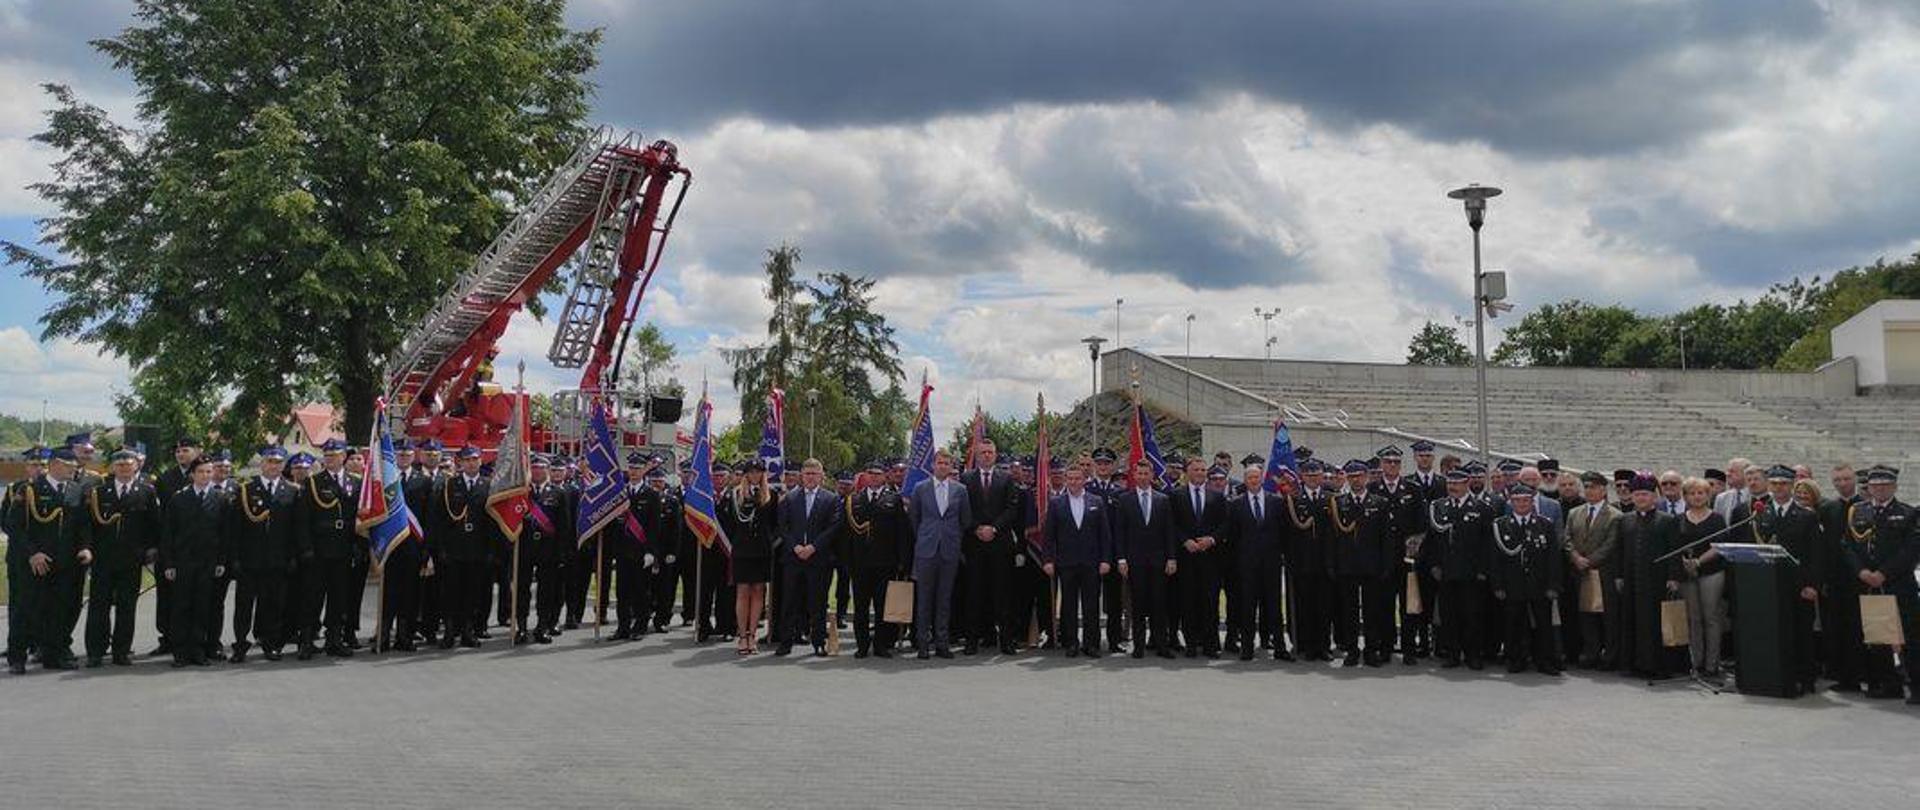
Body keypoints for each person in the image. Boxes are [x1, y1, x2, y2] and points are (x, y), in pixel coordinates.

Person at [5, 448, 89, 672]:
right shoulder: (29, 490)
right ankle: (17, 657)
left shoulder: (76, 491)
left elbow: (83, 525)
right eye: (69, 466)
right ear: (54, 465)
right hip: (36, 562)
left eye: (75, 467)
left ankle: (53, 654)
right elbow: (15, 526)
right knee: (27, 609)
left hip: (65, 562)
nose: (73, 470)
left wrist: (85, 547)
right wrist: (32, 553)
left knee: (60, 610)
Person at [1841, 465, 1919, 702]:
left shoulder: (1908, 513)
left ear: (1894, 487)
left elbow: (1911, 550)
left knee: (1909, 637)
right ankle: (1889, 684)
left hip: (1898, 583)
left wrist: (1884, 573)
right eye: (1875, 485)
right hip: (1869, 583)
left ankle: (1916, 686)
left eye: (1885, 485)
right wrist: (1862, 571)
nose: (1880, 489)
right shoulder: (1858, 511)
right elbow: (1848, 545)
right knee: (1879, 637)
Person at [79, 449, 159, 667]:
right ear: (113, 468)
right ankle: (95, 652)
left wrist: (151, 549)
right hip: (103, 558)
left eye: (128, 464)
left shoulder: (146, 491)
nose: (124, 468)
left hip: (131, 559)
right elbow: (88, 525)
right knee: (99, 606)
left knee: (126, 607)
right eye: (120, 465)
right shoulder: (98, 492)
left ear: (136, 466)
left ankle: (121, 651)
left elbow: (154, 524)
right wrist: (86, 548)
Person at [1747, 466, 1821, 693]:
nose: (1778, 488)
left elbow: (1816, 554)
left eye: (1783, 484)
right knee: (1776, 631)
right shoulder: (1762, 513)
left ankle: (1805, 678)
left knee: (1801, 632)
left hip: (1798, 584)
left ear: (1792, 486)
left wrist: (1812, 585)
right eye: (1774, 483)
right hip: (1770, 584)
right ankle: (1779, 675)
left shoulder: (1807, 515)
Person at [160, 455, 227, 668]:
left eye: (209, 471)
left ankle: (198, 650)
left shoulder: (220, 499)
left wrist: (221, 561)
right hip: (183, 562)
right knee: (181, 607)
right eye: (201, 472)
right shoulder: (179, 499)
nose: (205, 475)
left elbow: (224, 534)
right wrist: (169, 563)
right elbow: (168, 534)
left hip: (208, 562)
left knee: (202, 607)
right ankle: (180, 652)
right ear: (192, 474)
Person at [1041, 466, 1114, 658]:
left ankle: (1091, 644)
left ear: (1084, 480)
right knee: (1069, 605)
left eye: (1077, 478)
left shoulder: (1096, 501)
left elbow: (1104, 534)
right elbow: (1049, 536)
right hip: (1066, 562)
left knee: (1091, 605)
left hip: (1091, 562)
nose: (1074, 482)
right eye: (1070, 478)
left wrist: (1106, 560)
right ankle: (1071, 643)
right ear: (1066, 480)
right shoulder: (1056, 503)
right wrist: (1048, 560)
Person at [1490, 484, 1563, 675]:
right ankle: (1515, 659)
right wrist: (1497, 585)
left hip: (1539, 584)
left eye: (1525, 500)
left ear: (1532, 502)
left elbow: (1553, 558)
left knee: (1543, 624)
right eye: (1517, 501)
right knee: (1513, 623)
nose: (1521, 504)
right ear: (1511, 503)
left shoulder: (1545, 524)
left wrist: (1553, 585)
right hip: (1512, 584)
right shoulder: (1500, 525)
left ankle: (1545, 660)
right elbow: (1495, 559)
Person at [1425, 467, 1494, 669]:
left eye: (1456, 483)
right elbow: (1432, 541)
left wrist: (1483, 570)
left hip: (1471, 573)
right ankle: (1452, 653)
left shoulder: (1481, 508)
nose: (1452, 487)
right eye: (1449, 483)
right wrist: (1434, 565)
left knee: (1472, 615)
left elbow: (1487, 543)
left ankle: (1473, 654)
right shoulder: (1439, 507)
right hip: (1446, 571)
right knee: (1449, 615)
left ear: (1466, 484)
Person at [296, 439, 360, 658]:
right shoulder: (313, 482)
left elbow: (359, 517)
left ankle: (334, 639)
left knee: (339, 597)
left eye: (334, 455)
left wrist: (358, 546)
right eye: (327, 455)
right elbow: (303, 520)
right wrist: (306, 548)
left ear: (343, 457)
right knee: (312, 597)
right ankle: (306, 640)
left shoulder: (355, 482)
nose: (330, 458)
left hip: (343, 548)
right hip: (319, 548)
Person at [1329, 460, 1395, 667]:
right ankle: (1351, 650)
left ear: (1366, 477)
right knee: (1349, 611)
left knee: (1372, 610)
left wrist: (1387, 564)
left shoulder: (1380, 502)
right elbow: (1333, 538)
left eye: (1359, 476)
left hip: (1371, 566)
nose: (1355, 480)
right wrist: (1333, 564)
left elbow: (1386, 537)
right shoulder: (1339, 502)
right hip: (1347, 565)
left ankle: (1371, 650)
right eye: (1351, 476)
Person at [961, 438, 1021, 656]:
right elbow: (963, 509)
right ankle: (972, 640)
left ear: (995, 455)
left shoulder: (1007, 479)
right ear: (977, 455)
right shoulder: (966, 479)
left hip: (1000, 545)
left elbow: (1012, 509)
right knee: (974, 594)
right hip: (974, 544)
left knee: (1002, 594)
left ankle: (1006, 640)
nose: (986, 455)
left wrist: (993, 528)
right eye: (983, 452)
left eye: (990, 452)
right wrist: (976, 528)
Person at [1616, 474, 1680, 679]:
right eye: (1637, 494)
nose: (1641, 498)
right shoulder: (1625, 520)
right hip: (1632, 579)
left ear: (1654, 497)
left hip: (1657, 580)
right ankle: (1633, 664)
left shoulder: (1667, 520)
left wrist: (1673, 577)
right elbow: (1619, 550)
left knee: (1655, 623)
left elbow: (1674, 551)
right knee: (1631, 620)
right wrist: (1619, 576)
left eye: (1645, 494)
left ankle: (1657, 666)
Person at [846, 460, 910, 658]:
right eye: (871, 473)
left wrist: (903, 560)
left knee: (883, 605)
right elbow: (846, 535)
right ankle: (862, 645)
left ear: (885, 476)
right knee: (861, 607)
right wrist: (847, 560)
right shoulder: (854, 499)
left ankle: (881, 644)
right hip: (860, 563)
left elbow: (902, 532)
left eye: (878, 473)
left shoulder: (894, 499)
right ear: (866, 475)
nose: (874, 477)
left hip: (885, 562)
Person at [909, 450, 970, 659]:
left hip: (949, 550)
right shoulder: (920, 488)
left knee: (944, 599)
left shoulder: (960, 490)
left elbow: (965, 520)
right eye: (940, 463)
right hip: (926, 550)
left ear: (951, 467)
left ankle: (942, 643)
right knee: (924, 598)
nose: (943, 466)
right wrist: (926, 537)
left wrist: (952, 538)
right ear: (933, 465)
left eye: (946, 463)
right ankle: (923, 644)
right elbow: (914, 518)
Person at [1372, 445, 1429, 665]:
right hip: (1382, 560)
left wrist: (1414, 550)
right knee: (1384, 606)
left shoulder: (1413, 489)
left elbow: (1422, 524)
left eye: (1396, 462)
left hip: (1407, 560)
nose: (1392, 465)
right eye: (1388, 462)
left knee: (1409, 606)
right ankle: (1386, 647)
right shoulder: (1373, 488)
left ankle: (1409, 649)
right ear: (1381, 464)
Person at [776, 458, 839, 656]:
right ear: (801, 476)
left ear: (821, 476)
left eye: (814, 474)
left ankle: (818, 642)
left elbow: (833, 528)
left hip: (818, 559)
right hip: (793, 558)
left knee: (817, 603)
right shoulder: (789, 498)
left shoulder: (831, 499)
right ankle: (786, 641)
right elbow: (783, 526)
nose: (810, 477)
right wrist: (795, 547)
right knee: (789, 602)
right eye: (807, 474)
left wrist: (813, 547)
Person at [1223, 465, 1286, 661]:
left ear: (1262, 479)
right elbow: (1232, 537)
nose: (1253, 480)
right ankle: (1247, 648)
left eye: (1256, 477)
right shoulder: (1236, 504)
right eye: (1250, 477)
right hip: (1247, 565)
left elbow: (1283, 532)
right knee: (1247, 607)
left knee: (1274, 607)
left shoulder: (1276, 502)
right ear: (1245, 480)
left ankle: (1280, 648)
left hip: (1271, 563)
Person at [432, 447, 491, 648]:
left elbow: (492, 522)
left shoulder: (488, 485)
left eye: (474, 459)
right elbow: (439, 518)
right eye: (467, 460)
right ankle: (450, 632)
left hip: (478, 549)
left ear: (481, 461)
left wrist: (491, 550)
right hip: (454, 549)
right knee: (450, 593)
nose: (471, 463)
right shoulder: (450, 485)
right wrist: (441, 548)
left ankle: (468, 631)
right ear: (460, 462)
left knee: (472, 593)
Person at [1564, 471, 1623, 670]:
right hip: (1580, 573)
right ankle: (1591, 653)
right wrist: (1576, 558)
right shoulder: (1574, 513)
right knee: (1585, 615)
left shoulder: (1615, 515)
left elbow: (1610, 544)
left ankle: (1610, 656)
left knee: (1608, 617)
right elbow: (1567, 539)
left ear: (1603, 490)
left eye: (1594, 487)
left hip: (1603, 573)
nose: (1589, 491)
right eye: (1586, 487)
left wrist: (1589, 561)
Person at [150, 436, 201, 657]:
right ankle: (167, 638)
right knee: (167, 596)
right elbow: (159, 516)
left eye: (185, 450)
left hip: (198, 547)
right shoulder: (165, 479)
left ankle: (195, 640)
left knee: (195, 597)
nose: (181, 454)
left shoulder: (204, 473)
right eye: (178, 451)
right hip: (171, 546)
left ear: (197, 451)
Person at [1171, 457, 1226, 658]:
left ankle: (1210, 644)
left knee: (1210, 602)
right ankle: (1191, 644)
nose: (1200, 473)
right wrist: (1185, 541)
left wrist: (1212, 539)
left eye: (1203, 470)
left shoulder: (1217, 496)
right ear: (1187, 472)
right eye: (1196, 470)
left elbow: (1225, 524)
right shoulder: (1176, 495)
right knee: (1188, 601)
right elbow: (1171, 523)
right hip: (1186, 557)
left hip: (1210, 558)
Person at [513, 454, 571, 644]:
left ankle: (542, 627)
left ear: (547, 470)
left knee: (546, 591)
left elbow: (564, 526)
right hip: (524, 548)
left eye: (541, 467)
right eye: (534, 467)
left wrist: (561, 553)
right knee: (522, 590)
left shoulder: (558, 493)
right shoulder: (521, 492)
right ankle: (521, 627)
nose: (538, 471)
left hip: (549, 549)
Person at [722, 459, 777, 655]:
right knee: (743, 592)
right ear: (746, 474)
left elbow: (775, 524)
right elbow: (729, 525)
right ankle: (742, 635)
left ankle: (752, 634)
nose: (755, 475)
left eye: (758, 471)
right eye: (751, 472)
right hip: (742, 551)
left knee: (758, 592)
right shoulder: (735, 495)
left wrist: (770, 543)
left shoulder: (771, 495)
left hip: (762, 551)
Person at [1676, 476, 1729, 680]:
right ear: (1685, 496)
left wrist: (1698, 561)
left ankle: (1712, 664)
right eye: (1692, 493)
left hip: (1711, 571)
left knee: (1711, 617)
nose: (1697, 497)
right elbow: (1675, 545)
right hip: (1687, 573)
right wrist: (1684, 562)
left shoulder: (1717, 519)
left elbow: (1718, 546)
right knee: (1693, 618)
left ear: (1708, 495)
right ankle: (1696, 662)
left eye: (1701, 493)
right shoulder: (1679, 519)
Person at [1286, 459, 1333, 661]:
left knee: (1324, 606)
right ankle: (1306, 645)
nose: (1313, 478)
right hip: (1302, 562)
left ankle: (1324, 646)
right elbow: (1288, 533)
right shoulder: (1294, 499)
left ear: (1322, 476)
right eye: (1308, 475)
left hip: (1325, 563)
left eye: (1316, 474)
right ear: (1302, 476)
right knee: (1304, 605)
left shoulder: (1331, 498)